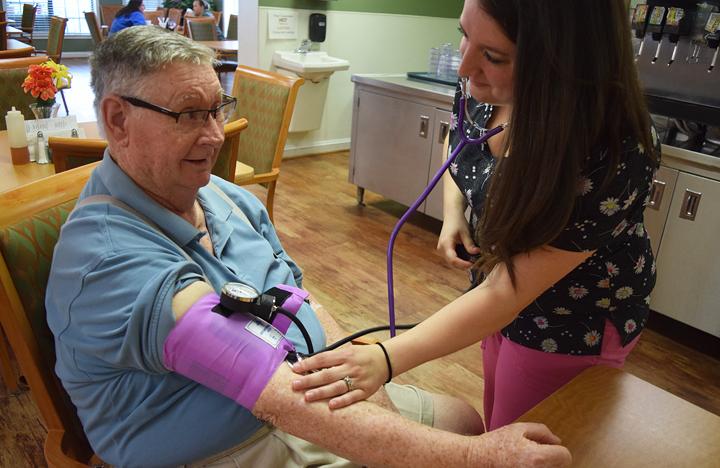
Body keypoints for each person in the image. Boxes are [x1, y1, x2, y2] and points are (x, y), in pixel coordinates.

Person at [45, 26, 570, 467]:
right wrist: (478, 458)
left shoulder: (225, 198)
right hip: (215, 441)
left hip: (288, 388)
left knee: (462, 418)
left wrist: (381, 412)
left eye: (217, 109)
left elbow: (301, 301)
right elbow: (271, 393)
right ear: (118, 120)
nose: (213, 136)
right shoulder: (107, 259)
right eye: (187, 115)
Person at [291, 0, 660, 432]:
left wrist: (387, 357)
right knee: (496, 423)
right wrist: (453, 215)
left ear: (563, 62)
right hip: (496, 299)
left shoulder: (612, 149)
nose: (465, 67)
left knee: (517, 443)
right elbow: (461, 141)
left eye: (494, 56)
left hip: (570, 325)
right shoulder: (483, 89)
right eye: (465, 35)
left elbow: (509, 292)